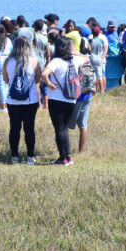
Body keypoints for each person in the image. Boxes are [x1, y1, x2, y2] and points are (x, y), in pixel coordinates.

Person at [3, 37, 41, 164]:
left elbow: (6, 80)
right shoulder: (34, 61)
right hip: (30, 100)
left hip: (13, 101)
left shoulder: (8, 61)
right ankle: (30, 156)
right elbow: (37, 80)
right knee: (29, 128)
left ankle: (14, 156)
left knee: (14, 128)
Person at [41, 37, 77, 166]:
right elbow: (86, 58)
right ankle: (68, 156)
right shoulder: (75, 60)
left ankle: (63, 158)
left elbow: (44, 73)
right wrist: (73, 52)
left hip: (57, 99)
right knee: (65, 128)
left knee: (59, 129)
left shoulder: (56, 61)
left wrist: (49, 84)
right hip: (72, 99)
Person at [66, 37, 93, 154]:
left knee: (64, 125)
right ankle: (81, 151)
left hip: (75, 96)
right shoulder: (85, 58)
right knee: (83, 124)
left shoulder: (71, 59)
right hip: (87, 94)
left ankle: (65, 151)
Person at [88, 23, 108, 93]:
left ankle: (94, 91)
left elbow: (89, 50)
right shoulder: (102, 40)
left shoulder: (90, 40)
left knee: (94, 76)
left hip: (92, 58)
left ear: (92, 32)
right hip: (99, 58)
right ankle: (102, 91)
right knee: (100, 76)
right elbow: (104, 48)